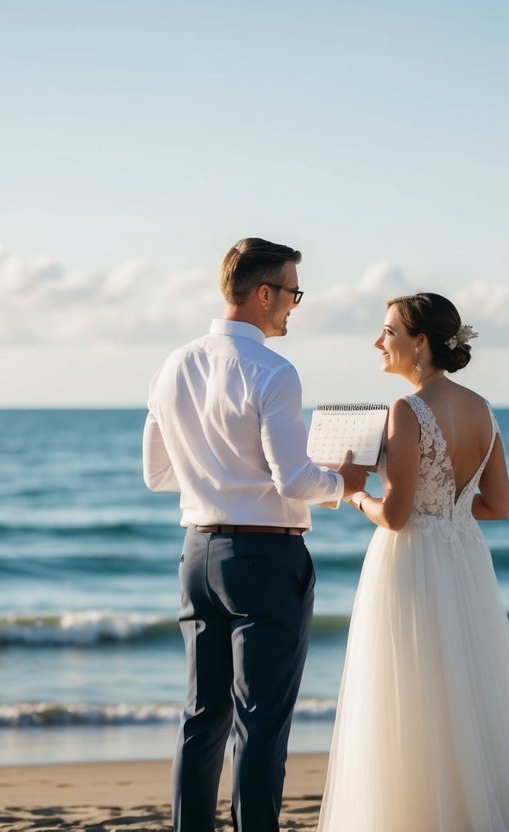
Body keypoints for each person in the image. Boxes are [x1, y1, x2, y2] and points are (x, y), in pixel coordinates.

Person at [317, 293, 509, 831]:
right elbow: (498, 506)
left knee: (411, 692)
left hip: (410, 563)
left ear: (420, 343)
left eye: (387, 332)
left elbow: (394, 514)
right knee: (464, 688)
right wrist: (452, 511)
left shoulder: (406, 410)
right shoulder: (481, 408)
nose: (377, 342)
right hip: (464, 561)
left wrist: (351, 494)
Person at [143, 237, 370, 832]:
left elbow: (156, 474)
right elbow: (295, 480)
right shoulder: (272, 369)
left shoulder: (173, 365)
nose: (295, 304)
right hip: (265, 558)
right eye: (293, 292)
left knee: (201, 717)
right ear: (264, 294)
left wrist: (215, 476)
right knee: (261, 723)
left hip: (197, 552)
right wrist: (343, 481)